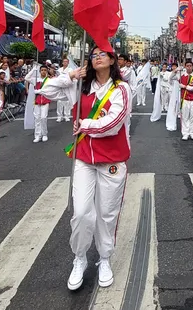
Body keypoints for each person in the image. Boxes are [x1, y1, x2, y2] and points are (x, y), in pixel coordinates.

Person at [37, 49, 133, 291]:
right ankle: (79, 258)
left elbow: (113, 123)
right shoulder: (79, 86)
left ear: (112, 60)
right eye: (93, 54)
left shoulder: (122, 88)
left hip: (111, 159)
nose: (97, 57)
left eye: (103, 54)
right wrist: (69, 76)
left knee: (107, 213)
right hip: (83, 158)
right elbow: (45, 89)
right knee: (80, 212)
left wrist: (86, 124)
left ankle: (105, 259)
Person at [178, 61, 193, 141]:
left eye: (190, 66)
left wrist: (184, 86)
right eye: (187, 66)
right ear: (185, 66)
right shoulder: (182, 75)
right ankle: (185, 133)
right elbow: (171, 77)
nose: (189, 67)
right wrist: (177, 69)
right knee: (185, 116)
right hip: (184, 99)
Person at [32, 65, 52, 143]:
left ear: (46, 71)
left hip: (45, 101)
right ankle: (37, 135)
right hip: (37, 101)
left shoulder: (48, 80)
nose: (43, 71)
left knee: (43, 118)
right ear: (40, 71)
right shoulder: (36, 79)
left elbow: (49, 90)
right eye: (42, 70)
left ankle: (44, 134)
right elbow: (27, 78)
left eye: (45, 70)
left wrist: (40, 91)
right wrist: (34, 70)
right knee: (37, 118)